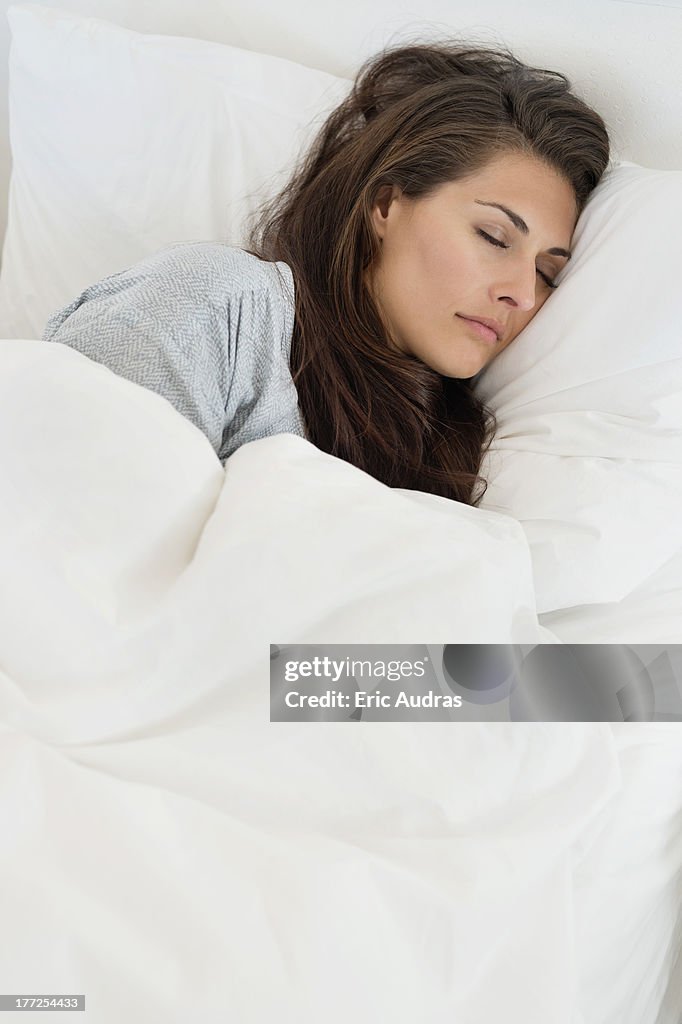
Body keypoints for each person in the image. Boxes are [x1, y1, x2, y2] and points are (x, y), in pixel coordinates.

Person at [42, 40, 609, 505]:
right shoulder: (221, 305)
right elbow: (58, 520)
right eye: (493, 236)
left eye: (546, 273)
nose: (521, 295)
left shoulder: (451, 448)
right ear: (385, 205)